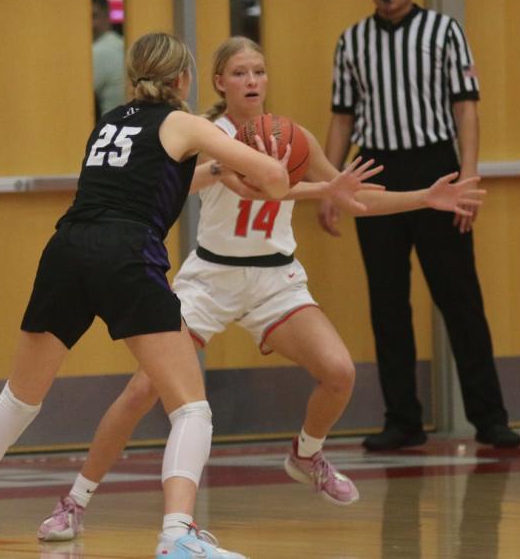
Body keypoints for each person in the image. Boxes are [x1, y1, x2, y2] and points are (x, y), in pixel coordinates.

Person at [34, 36, 484, 543]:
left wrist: (427, 197)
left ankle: (306, 454)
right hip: (210, 278)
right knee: (141, 390)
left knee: (338, 373)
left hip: (274, 277)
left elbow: (351, 196)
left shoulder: (293, 136)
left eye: (260, 71)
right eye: (241, 73)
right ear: (220, 82)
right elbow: (230, 184)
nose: (252, 81)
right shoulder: (207, 135)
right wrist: (271, 180)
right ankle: (74, 501)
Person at [0, 32, 296, 559]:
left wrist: (223, 171)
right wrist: (271, 171)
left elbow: (164, 180)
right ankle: (178, 535)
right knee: (191, 409)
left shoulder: (110, 121)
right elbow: (273, 176)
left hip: (67, 247)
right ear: (183, 79)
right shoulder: (185, 122)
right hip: (125, 252)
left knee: (18, 400)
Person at [319, 0, 520, 451]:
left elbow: (466, 110)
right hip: (375, 174)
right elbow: (342, 117)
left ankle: (490, 418)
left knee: (461, 299)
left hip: (437, 169)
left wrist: (468, 180)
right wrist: (330, 184)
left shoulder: (445, 32)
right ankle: (402, 419)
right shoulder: (352, 42)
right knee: (387, 303)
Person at [91, 0, 126, 120]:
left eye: (94, 16)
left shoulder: (99, 51)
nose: (90, 23)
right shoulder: (120, 43)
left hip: (109, 129)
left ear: (107, 16)